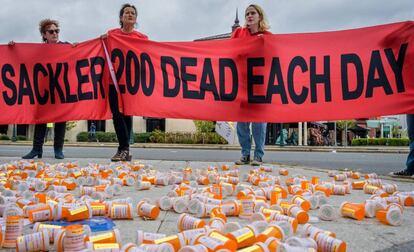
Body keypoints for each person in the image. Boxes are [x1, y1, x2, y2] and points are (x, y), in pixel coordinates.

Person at [11, 19, 68, 159]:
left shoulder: (66, 47)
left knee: (61, 120)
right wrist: (14, 48)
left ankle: (58, 150)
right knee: (41, 119)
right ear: (44, 35)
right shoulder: (39, 50)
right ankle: (37, 149)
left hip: (61, 90)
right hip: (43, 90)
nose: (55, 33)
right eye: (51, 31)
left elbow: (81, 53)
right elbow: (24, 59)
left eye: (57, 31)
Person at [105, 3, 148, 161]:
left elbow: (149, 55)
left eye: (133, 13)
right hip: (114, 81)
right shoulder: (111, 34)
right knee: (117, 114)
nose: (130, 15)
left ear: (136, 18)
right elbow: (100, 46)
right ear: (121, 18)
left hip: (132, 82)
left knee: (127, 114)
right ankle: (124, 149)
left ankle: (124, 149)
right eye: (127, 13)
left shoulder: (142, 38)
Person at [232, 4, 271, 166]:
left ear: (259, 16)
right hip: (242, 84)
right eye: (247, 13)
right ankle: (245, 154)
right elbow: (230, 51)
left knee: (259, 123)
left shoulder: (268, 37)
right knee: (241, 123)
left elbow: (275, 57)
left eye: (253, 13)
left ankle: (258, 155)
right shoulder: (239, 33)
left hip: (260, 85)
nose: (249, 16)